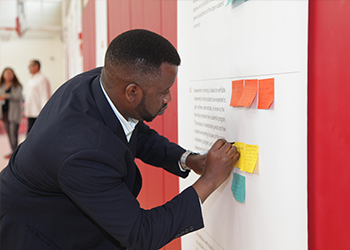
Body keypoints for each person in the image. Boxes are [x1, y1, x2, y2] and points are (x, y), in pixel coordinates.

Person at [0, 29, 240, 250]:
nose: (169, 98)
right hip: (37, 233)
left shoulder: (104, 83)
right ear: (132, 92)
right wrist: (208, 181)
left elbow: (136, 131)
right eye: (163, 91)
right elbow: (140, 234)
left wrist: (187, 159)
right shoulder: (83, 152)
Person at [0, 67, 23, 159]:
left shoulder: (17, 86)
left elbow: (17, 96)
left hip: (14, 113)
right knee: (9, 133)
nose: (8, 75)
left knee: (13, 133)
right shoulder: (2, 85)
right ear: (3, 75)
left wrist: (7, 95)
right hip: (4, 113)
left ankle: (15, 152)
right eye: (6, 73)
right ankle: (13, 151)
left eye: (10, 73)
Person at [25, 59, 51, 134]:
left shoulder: (42, 79)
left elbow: (44, 96)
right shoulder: (31, 79)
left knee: (36, 133)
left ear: (36, 66)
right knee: (30, 133)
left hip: (38, 112)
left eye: (30, 66)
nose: (29, 68)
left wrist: (43, 111)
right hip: (31, 111)